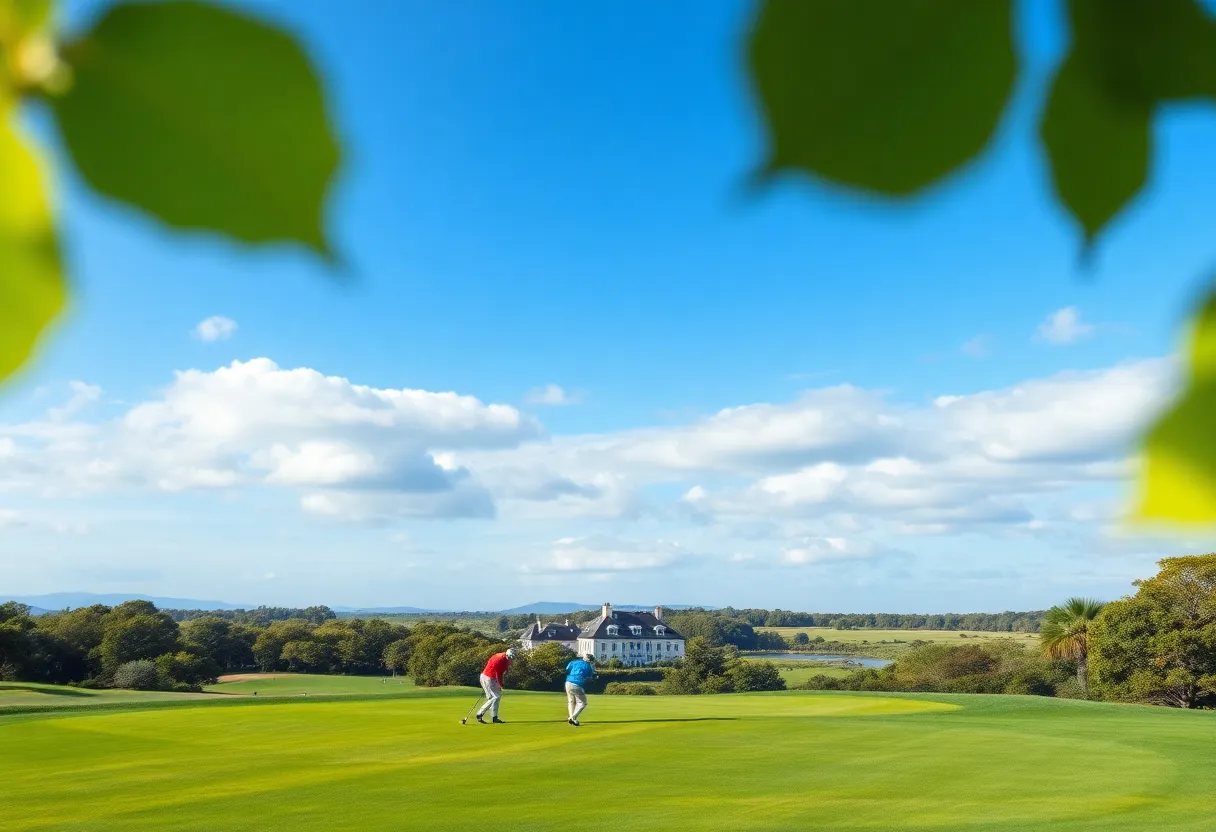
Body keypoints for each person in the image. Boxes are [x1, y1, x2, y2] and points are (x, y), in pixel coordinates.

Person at [475, 647, 516, 724]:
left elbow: (503, 668)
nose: (511, 659)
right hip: (488, 678)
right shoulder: (499, 660)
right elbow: (498, 675)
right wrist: (501, 685)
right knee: (495, 697)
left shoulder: (504, 657)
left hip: (489, 677)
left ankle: (494, 717)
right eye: (510, 657)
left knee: (493, 697)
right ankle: (479, 714)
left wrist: (506, 670)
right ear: (507, 655)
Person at [564, 653, 596, 727]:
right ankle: (573, 717)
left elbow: (567, 669)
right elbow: (589, 676)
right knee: (582, 703)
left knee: (571, 701)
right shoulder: (589, 666)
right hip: (578, 684)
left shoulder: (574, 662)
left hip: (568, 682)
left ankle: (572, 718)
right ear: (590, 660)